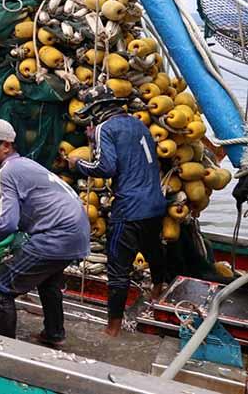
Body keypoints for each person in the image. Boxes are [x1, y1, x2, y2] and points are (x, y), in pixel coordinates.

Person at [0, 119, 90, 347]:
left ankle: (6, 350)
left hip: (56, 236)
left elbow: (6, 223)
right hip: (77, 234)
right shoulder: (25, 165)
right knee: (48, 282)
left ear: (6, 146)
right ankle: (54, 335)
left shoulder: (7, 172)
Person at [68, 84, 167, 337]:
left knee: (118, 266)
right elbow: (130, 152)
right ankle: (158, 288)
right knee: (153, 248)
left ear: (98, 110)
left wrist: (77, 163)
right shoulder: (138, 124)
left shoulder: (104, 128)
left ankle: (112, 328)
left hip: (129, 207)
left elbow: (106, 167)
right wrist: (95, 140)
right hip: (155, 203)